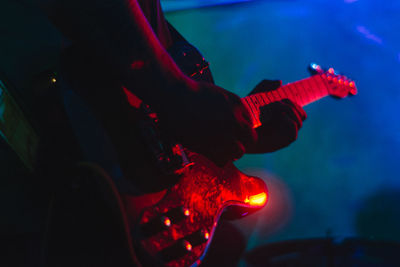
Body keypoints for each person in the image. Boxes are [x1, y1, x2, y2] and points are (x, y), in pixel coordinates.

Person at [29, 0, 306, 185]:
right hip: (62, 146)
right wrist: (177, 92)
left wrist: (236, 132)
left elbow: (150, 89)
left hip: (112, 165)